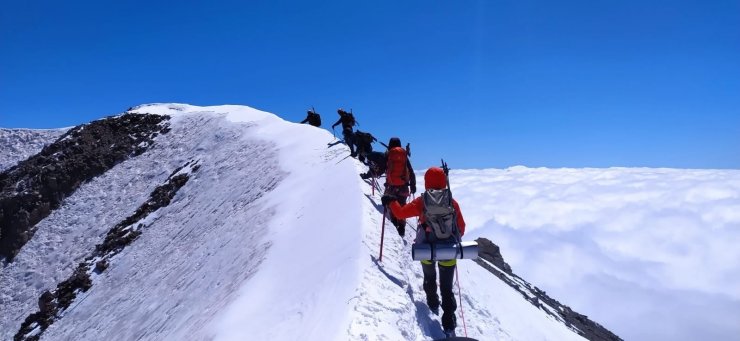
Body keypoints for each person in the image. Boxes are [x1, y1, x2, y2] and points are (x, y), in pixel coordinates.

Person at [382, 167, 466, 337]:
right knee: (448, 289)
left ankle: (433, 304)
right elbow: (461, 228)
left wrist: (391, 201)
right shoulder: (452, 202)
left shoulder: (422, 201)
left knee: (429, 278)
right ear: (443, 181)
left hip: (426, 249)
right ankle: (449, 322)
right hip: (448, 252)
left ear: (426, 181)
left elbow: (399, 213)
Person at [382, 137, 416, 237]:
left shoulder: (388, 155)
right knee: (402, 207)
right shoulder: (404, 156)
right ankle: (402, 228)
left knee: (392, 205)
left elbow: (383, 167)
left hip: (391, 187)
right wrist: (413, 185)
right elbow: (411, 170)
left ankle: (394, 223)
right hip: (403, 187)